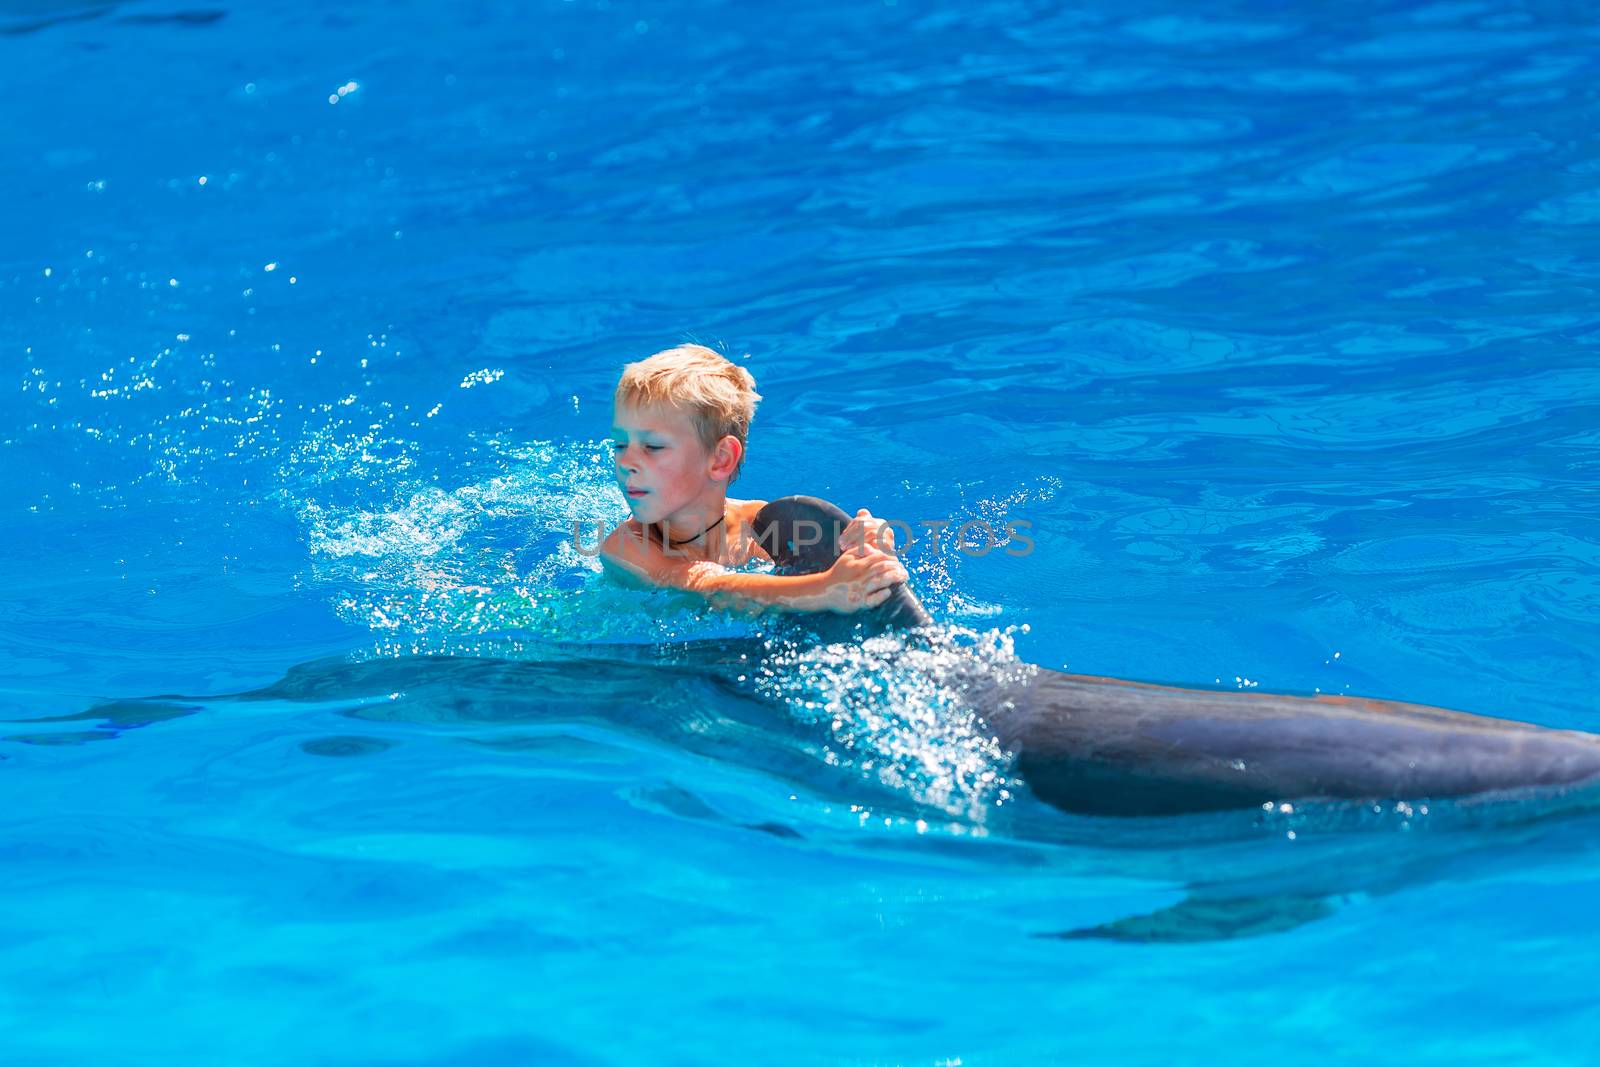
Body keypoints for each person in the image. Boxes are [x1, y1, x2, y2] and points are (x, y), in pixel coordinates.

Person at [599, 343, 906, 614]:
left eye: (652, 447)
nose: (626, 462)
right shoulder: (625, 547)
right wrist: (825, 590)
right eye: (620, 444)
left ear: (720, 459)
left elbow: (836, 559)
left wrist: (867, 544)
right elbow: (703, 583)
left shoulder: (764, 528)